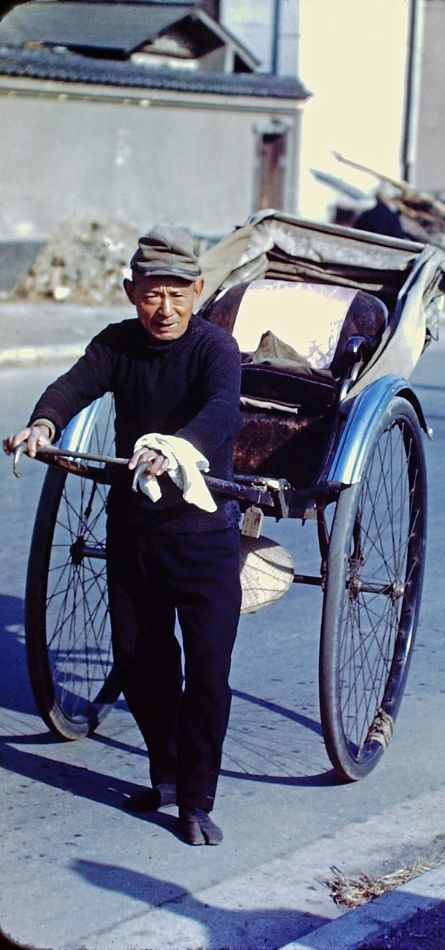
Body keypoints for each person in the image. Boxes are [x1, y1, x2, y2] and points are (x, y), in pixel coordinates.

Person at [3, 226, 242, 846]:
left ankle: (196, 800)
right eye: (150, 296)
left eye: (176, 295)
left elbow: (222, 411)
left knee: (208, 674)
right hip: (134, 532)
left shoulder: (216, 349)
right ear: (131, 292)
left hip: (203, 535)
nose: (163, 310)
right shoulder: (118, 344)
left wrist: (176, 450)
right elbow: (74, 386)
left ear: (197, 290)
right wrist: (42, 422)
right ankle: (164, 776)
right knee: (140, 662)